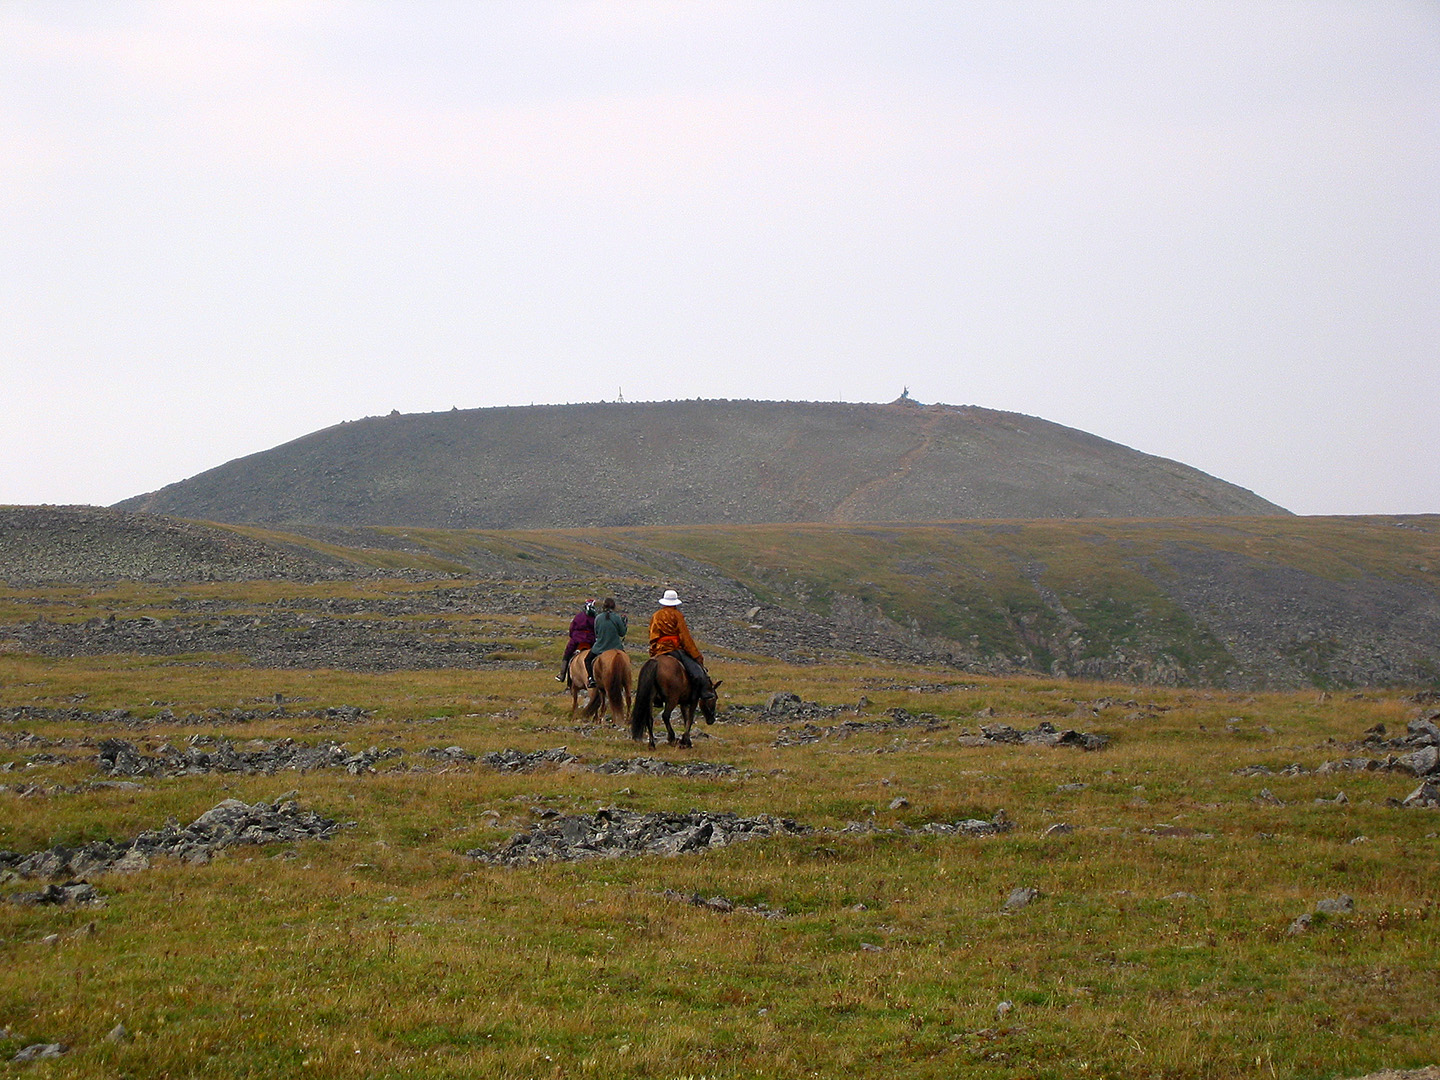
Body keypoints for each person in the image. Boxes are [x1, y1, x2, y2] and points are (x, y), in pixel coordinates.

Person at [647, 589, 714, 700]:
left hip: (659, 649)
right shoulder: (677, 615)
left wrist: (654, 650)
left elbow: (652, 635)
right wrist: (696, 655)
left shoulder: (656, 615)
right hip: (674, 649)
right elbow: (685, 637)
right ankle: (701, 693)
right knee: (697, 673)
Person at [585, 597, 627, 687]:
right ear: (614, 607)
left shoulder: (598, 618)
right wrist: (624, 624)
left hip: (600, 647)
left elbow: (596, 633)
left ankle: (591, 678)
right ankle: (626, 678)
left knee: (587, 660)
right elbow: (622, 633)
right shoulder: (617, 618)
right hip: (616, 647)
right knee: (626, 660)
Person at [557, 599, 596, 684]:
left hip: (577, 640)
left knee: (567, 654)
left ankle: (562, 675)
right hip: (591, 640)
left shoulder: (578, 617)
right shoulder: (595, 618)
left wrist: (573, 636)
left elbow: (572, 628)